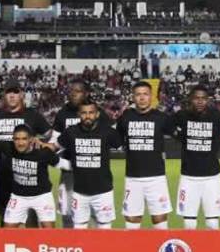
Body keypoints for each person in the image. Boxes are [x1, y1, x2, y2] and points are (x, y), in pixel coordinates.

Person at [0, 81, 52, 222]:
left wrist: (41, 142)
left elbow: (49, 133)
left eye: (15, 92)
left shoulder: (33, 115)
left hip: (29, 175)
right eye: (9, 92)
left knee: (31, 218)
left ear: (22, 94)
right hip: (3, 174)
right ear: (4, 95)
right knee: (4, 215)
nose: (12, 96)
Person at [167, 84, 220, 229]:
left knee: (212, 223)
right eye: (196, 98)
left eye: (203, 98)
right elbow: (166, 125)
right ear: (191, 99)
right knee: (189, 223)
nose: (200, 101)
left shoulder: (216, 116)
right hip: (188, 176)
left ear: (208, 100)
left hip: (212, 176)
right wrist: (179, 136)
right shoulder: (182, 115)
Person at [57, 96, 121, 229]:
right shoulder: (71, 132)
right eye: (84, 113)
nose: (87, 116)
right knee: (79, 233)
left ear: (97, 114)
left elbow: (124, 144)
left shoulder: (108, 132)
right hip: (79, 193)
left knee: (105, 233)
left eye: (91, 112)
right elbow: (54, 147)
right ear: (78, 114)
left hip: (103, 192)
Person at [117, 81, 172, 228]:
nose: (142, 98)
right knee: (132, 222)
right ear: (133, 97)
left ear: (151, 96)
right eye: (138, 94)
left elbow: (178, 134)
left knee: (160, 220)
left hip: (156, 178)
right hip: (133, 177)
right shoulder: (125, 117)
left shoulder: (161, 117)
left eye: (145, 94)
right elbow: (116, 138)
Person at [0, 124, 60, 228]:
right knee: (7, 230)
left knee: (49, 231)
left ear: (31, 139)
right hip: (18, 196)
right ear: (13, 139)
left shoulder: (43, 152)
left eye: (24, 139)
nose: (20, 143)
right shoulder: (8, 148)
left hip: (42, 196)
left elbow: (61, 164)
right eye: (17, 139)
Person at [51, 78, 89, 228]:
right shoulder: (63, 113)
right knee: (66, 214)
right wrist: (63, 162)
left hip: (91, 173)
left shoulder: (94, 111)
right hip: (68, 172)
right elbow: (55, 141)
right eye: (71, 91)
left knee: (89, 214)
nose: (73, 94)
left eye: (78, 91)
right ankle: (68, 242)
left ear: (85, 94)